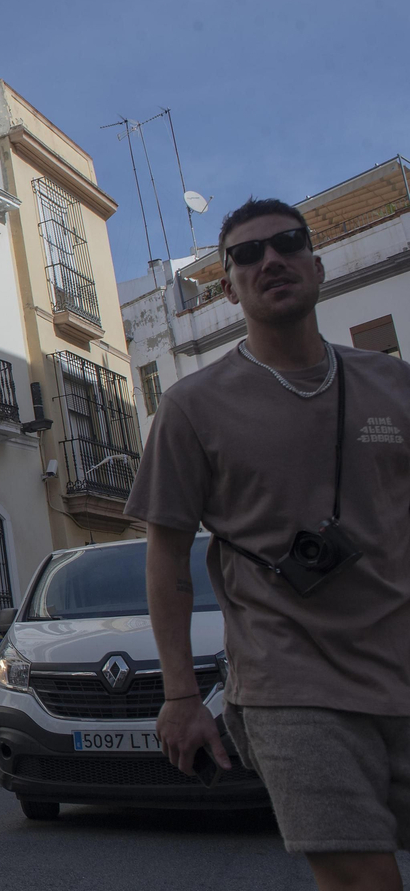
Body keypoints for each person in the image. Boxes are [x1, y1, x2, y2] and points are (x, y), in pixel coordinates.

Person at [131, 199, 410, 891]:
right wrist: (179, 696)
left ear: (318, 266)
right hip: (290, 684)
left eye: (287, 243)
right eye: (247, 255)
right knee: (363, 878)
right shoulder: (192, 407)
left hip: (401, 663)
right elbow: (167, 555)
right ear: (228, 288)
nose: (271, 260)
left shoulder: (393, 386)